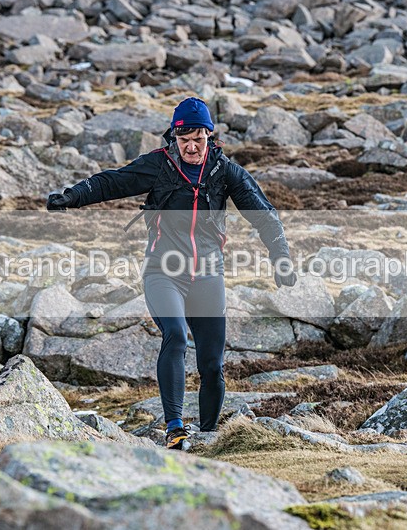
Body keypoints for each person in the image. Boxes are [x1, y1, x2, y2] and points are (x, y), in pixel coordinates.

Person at [47, 97, 297, 449]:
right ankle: (175, 428)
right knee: (176, 336)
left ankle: (209, 436)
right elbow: (112, 182)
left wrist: (280, 255)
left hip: (208, 274)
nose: (192, 147)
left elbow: (263, 214)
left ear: (210, 136)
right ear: (174, 137)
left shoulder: (226, 171)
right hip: (162, 271)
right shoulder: (158, 166)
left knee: (212, 364)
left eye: (199, 139)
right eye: (184, 140)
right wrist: (72, 196)